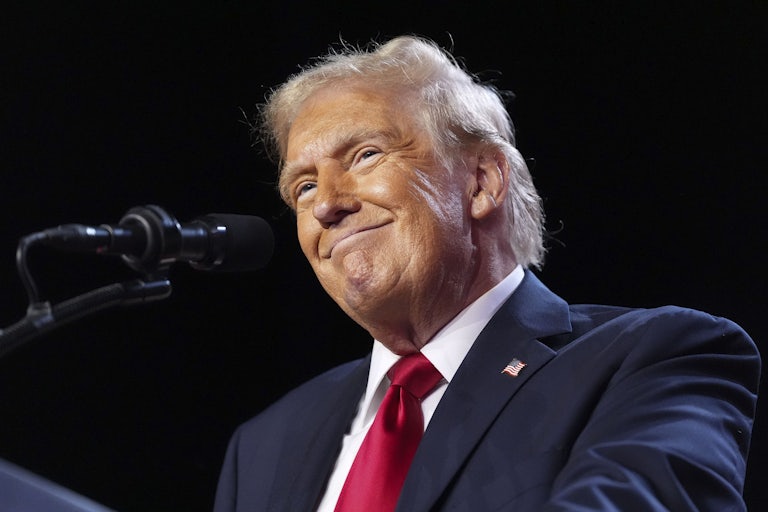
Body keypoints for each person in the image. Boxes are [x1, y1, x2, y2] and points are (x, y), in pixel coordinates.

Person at [213, 35, 760, 511]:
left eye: (365, 155)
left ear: (482, 182)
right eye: (303, 187)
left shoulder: (654, 358)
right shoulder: (263, 445)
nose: (326, 205)